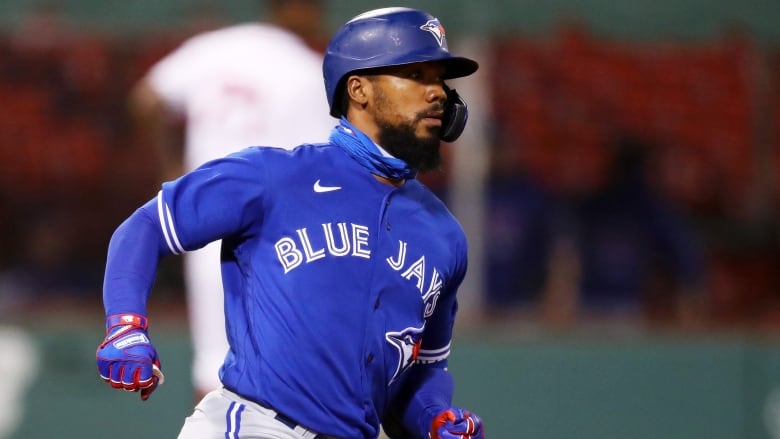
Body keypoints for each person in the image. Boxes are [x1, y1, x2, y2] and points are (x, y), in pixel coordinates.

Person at [96, 7, 485, 439]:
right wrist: (126, 325)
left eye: (440, 80)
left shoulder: (444, 235)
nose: (438, 93)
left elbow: (422, 372)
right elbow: (145, 227)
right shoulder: (274, 175)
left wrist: (433, 417)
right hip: (255, 426)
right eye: (416, 74)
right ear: (358, 89)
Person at [127, 0, 334, 401]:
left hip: (204, 219)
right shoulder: (308, 72)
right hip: (276, 237)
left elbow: (146, 98)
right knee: (282, 370)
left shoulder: (216, 46)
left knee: (214, 366)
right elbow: (326, 168)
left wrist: (171, 168)